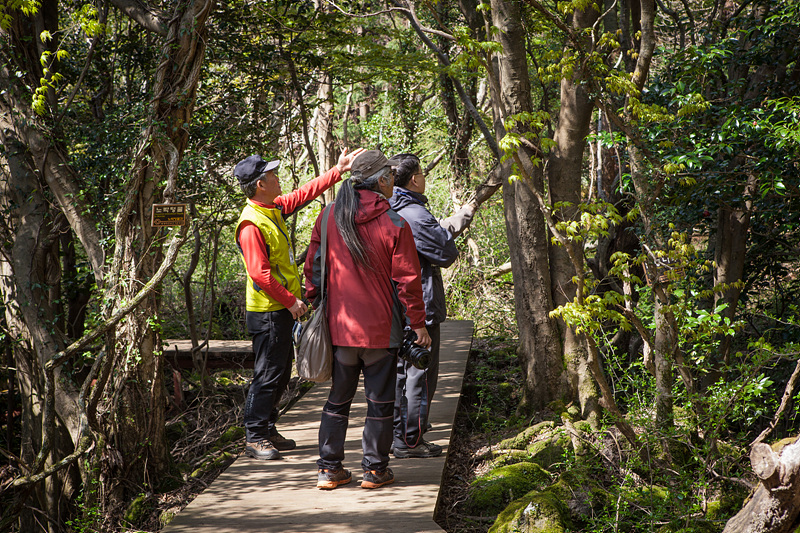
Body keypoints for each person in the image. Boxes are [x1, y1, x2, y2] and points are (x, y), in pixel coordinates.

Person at [304, 149, 432, 490]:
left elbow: (313, 269)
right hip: (380, 330)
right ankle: (374, 470)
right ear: (383, 180)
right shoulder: (394, 223)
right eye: (390, 176)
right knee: (380, 401)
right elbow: (408, 280)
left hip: (340, 328)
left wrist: (316, 303)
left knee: (338, 398)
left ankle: (330, 469)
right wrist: (417, 324)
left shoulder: (329, 215)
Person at [234, 147, 364, 461]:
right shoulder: (251, 223)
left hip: (280, 309)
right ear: (260, 185)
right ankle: (254, 435)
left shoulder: (272, 208)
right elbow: (260, 273)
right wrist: (291, 301)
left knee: (279, 373)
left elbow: (303, 194)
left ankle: (267, 427)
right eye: (273, 175)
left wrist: (338, 170)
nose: (279, 179)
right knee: (267, 374)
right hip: (268, 311)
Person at [387, 153, 477, 458]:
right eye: (422, 174)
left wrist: (459, 218)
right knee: (420, 375)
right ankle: (410, 441)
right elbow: (445, 252)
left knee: (401, 373)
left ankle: (398, 435)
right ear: (414, 179)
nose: (424, 178)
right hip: (418, 307)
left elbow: (433, 235)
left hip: (391, 307)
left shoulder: (386, 208)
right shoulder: (414, 213)